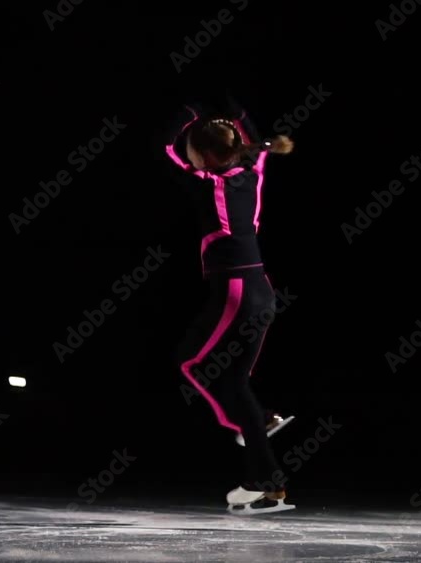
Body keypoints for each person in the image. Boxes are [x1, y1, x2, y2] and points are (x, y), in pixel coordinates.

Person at [164, 99, 296, 514]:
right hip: (262, 291)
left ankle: (246, 423)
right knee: (236, 384)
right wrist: (231, 110)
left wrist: (189, 109)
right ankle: (267, 485)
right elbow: (247, 131)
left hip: (236, 292)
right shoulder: (254, 171)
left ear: (203, 156)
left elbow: (165, 147)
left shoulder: (206, 183)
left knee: (189, 362)